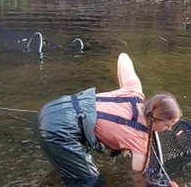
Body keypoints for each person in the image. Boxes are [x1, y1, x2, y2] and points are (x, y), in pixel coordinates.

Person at [37, 53, 182, 187]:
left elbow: (123, 57)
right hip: (58, 130)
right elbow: (138, 177)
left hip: (54, 107)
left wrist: (122, 91)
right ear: (155, 118)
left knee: (73, 169)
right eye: (168, 124)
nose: (169, 129)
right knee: (91, 181)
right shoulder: (140, 141)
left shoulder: (134, 91)